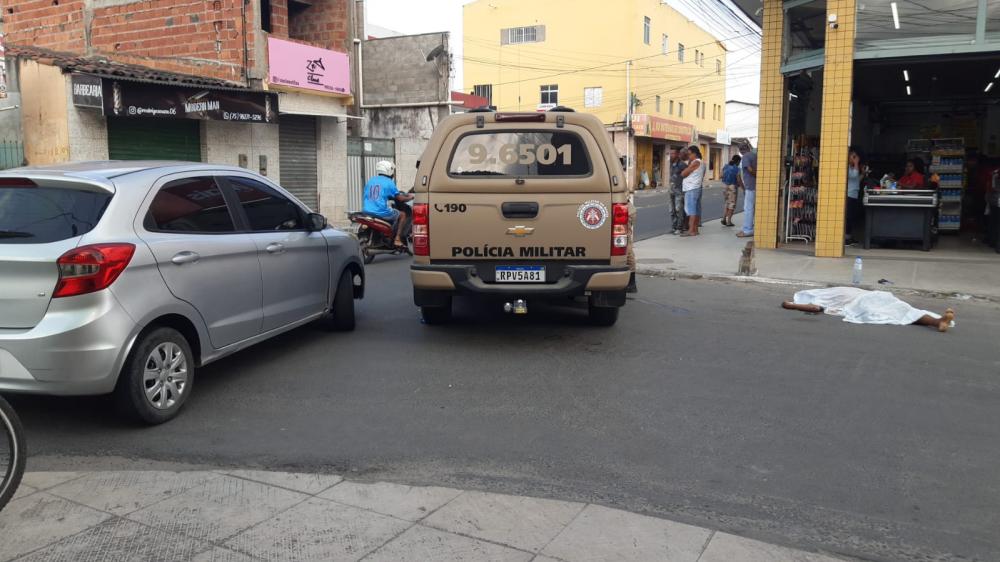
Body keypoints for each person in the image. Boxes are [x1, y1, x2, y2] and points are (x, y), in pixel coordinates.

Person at [780, 287, 955, 333]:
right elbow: (816, 307)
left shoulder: (822, 297)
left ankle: (937, 321)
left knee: (897, 310)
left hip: (866, 298)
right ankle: (937, 321)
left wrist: (791, 305)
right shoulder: (824, 295)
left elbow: (815, 308)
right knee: (898, 310)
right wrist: (791, 305)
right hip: (867, 298)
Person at [362, 160, 413, 248]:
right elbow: (400, 198)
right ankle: (397, 239)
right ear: (388, 170)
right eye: (392, 169)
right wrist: (410, 197)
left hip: (366, 210)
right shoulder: (389, 182)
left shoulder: (371, 180)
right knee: (402, 215)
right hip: (381, 211)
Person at [680, 145, 705, 237]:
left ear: (694, 154)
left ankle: (691, 230)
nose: (688, 156)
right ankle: (695, 229)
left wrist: (689, 165)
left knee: (691, 210)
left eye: (689, 154)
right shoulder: (702, 163)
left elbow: (683, 173)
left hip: (691, 188)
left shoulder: (695, 162)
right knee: (696, 209)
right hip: (697, 187)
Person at [845, 147, 865, 245]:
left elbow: (856, 180)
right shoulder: (846, 167)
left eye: (856, 157)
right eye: (853, 156)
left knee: (851, 217)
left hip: (853, 194)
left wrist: (863, 173)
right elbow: (853, 176)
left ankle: (849, 236)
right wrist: (857, 163)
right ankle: (846, 238)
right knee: (848, 217)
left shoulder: (853, 168)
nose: (855, 158)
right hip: (849, 194)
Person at [737, 142, 756, 238]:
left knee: (748, 209)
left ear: (740, 150)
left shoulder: (746, 157)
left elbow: (749, 169)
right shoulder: (754, 155)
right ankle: (748, 228)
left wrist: (757, 176)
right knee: (752, 208)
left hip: (751, 186)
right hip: (754, 186)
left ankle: (747, 230)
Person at [668, 147, 688, 234]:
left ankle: (680, 228)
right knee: (671, 210)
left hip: (679, 190)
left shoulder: (682, 165)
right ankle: (674, 227)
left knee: (678, 209)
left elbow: (687, 175)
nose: (671, 155)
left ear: (677, 154)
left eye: (673, 154)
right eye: (670, 154)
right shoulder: (671, 164)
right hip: (671, 189)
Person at [721, 154, 741, 227]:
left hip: (724, 186)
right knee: (732, 205)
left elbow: (721, 176)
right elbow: (738, 179)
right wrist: (742, 187)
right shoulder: (737, 169)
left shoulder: (725, 166)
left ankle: (724, 219)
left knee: (727, 203)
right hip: (732, 187)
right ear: (738, 161)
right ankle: (729, 221)